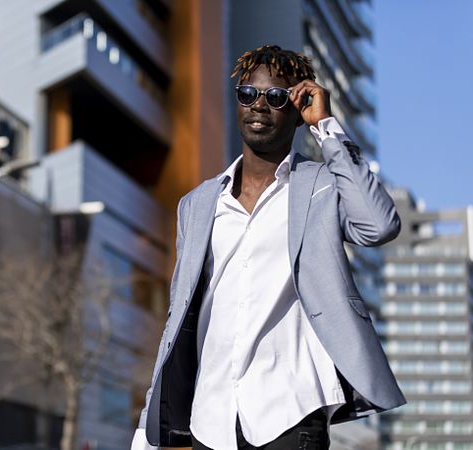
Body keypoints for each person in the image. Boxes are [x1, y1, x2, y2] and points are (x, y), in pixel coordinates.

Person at [130, 45, 405, 450]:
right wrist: (148, 424)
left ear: (297, 112)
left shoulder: (321, 187)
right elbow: (179, 313)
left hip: (290, 411)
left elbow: (379, 225)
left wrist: (326, 126)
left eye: (276, 97)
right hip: (212, 418)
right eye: (248, 94)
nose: (259, 105)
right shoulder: (198, 203)